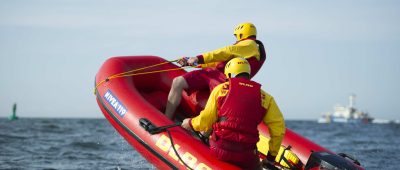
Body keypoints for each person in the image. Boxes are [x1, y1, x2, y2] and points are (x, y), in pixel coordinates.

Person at [181, 57, 285, 169]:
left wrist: (190, 123)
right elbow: (278, 130)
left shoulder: (220, 89)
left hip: (219, 150)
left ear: (229, 74)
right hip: (246, 156)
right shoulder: (266, 98)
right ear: (248, 74)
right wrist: (270, 158)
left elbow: (206, 120)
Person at [166, 22, 267, 119]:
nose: (236, 40)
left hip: (222, 79)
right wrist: (192, 62)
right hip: (212, 74)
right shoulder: (248, 50)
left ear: (241, 35)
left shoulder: (249, 45)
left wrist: (198, 58)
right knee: (178, 82)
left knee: (178, 83)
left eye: (236, 36)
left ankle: (167, 119)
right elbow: (218, 61)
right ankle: (166, 121)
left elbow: (226, 51)